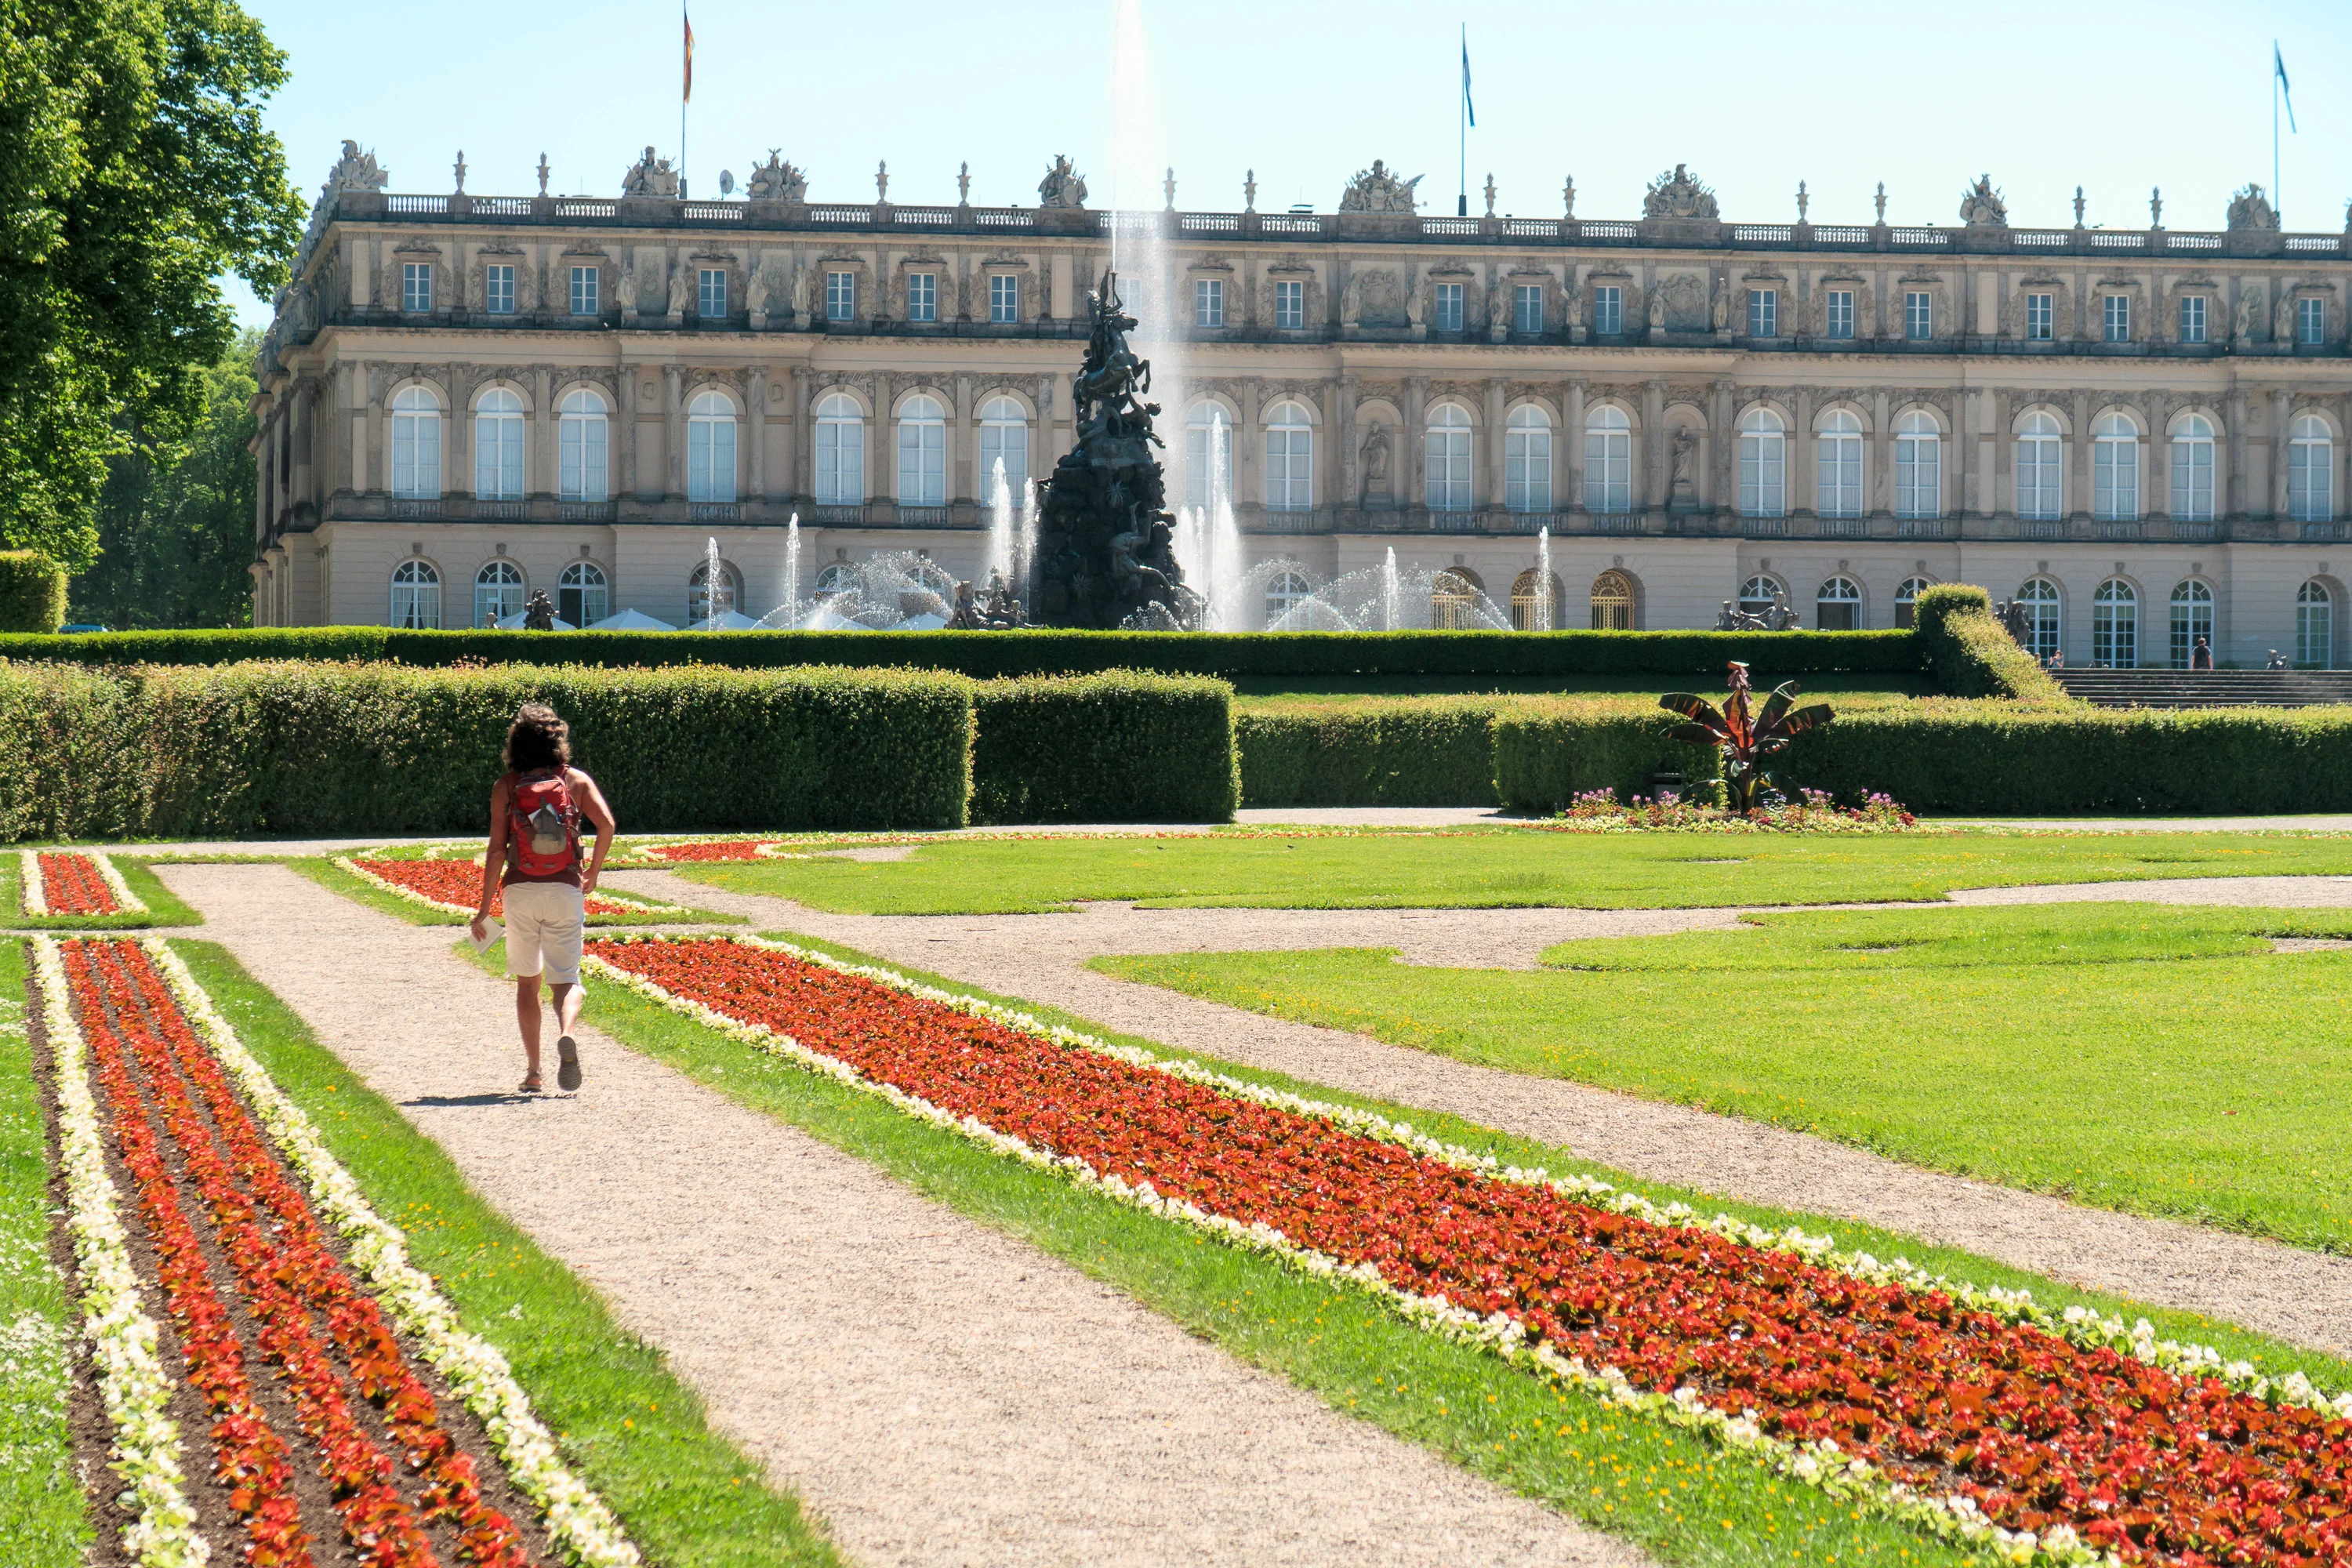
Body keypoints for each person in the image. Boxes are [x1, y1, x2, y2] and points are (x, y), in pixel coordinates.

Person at [470, 703, 615, 1094]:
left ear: (515, 744)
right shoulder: (576, 782)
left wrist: (484, 909)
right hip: (565, 889)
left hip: (519, 890)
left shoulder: (506, 786)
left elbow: (497, 851)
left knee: (526, 983)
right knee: (566, 979)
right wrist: (593, 874)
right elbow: (607, 826)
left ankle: (534, 1072)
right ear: (558, 742)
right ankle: (567, 1032)